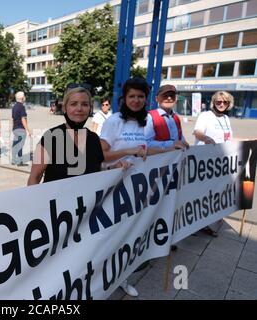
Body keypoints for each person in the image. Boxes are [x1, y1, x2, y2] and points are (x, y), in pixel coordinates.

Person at [99, 77, 154, 298]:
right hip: (114, 187)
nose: (136, 100)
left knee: (128, 235)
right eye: (132, 96)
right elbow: (101, 154)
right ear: (124, 98)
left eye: (141, 96)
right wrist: (127, 152)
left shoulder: (146, 121)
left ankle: (122, 277)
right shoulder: (114, 121)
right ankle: (100, 277)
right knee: (110, 236)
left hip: (136, 189)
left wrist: (172, 147)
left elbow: (145, 152)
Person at [27, 86, 103, 185]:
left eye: (84, 104)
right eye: (73, 104)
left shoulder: (94, 139)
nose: (79, 108)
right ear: (64, 108)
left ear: (90, 109)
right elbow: (34, 178)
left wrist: (116, 168)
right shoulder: (50, 137)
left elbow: (100, 172)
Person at [144, 84, 189, 251]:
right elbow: (146, 144)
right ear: (157, 98)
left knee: (168, 203)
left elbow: (180, 138)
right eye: (165, 95)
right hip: (156, 168)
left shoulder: (176, 117)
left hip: (172, 169)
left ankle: (162, 239)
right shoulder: (150, 117)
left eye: (172, 95)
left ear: (176, 98)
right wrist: (172, 144)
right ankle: (149, 242)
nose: (169, 98)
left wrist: (184, 142)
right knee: (155, 205)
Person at [193, 90, 234, 236]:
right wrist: (206, 139)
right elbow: (197, 132)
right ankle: (195, 223)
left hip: (219, 163)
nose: (222, 104)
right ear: (214, 102)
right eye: (219, 101)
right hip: (203, 161)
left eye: (225, 102)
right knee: (200, 193)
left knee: (214, 193)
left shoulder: (226, 119)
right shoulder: (206, 115)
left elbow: (228, 139)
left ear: (229, 104)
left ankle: (207, 223)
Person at [11, 91, 32, 166]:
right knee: (20, 145)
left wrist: (12, 128)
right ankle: (19, 162)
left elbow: (13, 119)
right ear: (22, 98)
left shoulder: (14, 106)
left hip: (15, 128)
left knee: (15, 144)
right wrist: (27, 129)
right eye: (24, 96)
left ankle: (13, 160)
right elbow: (23, 119)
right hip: (21, 128)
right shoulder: (22, 107)